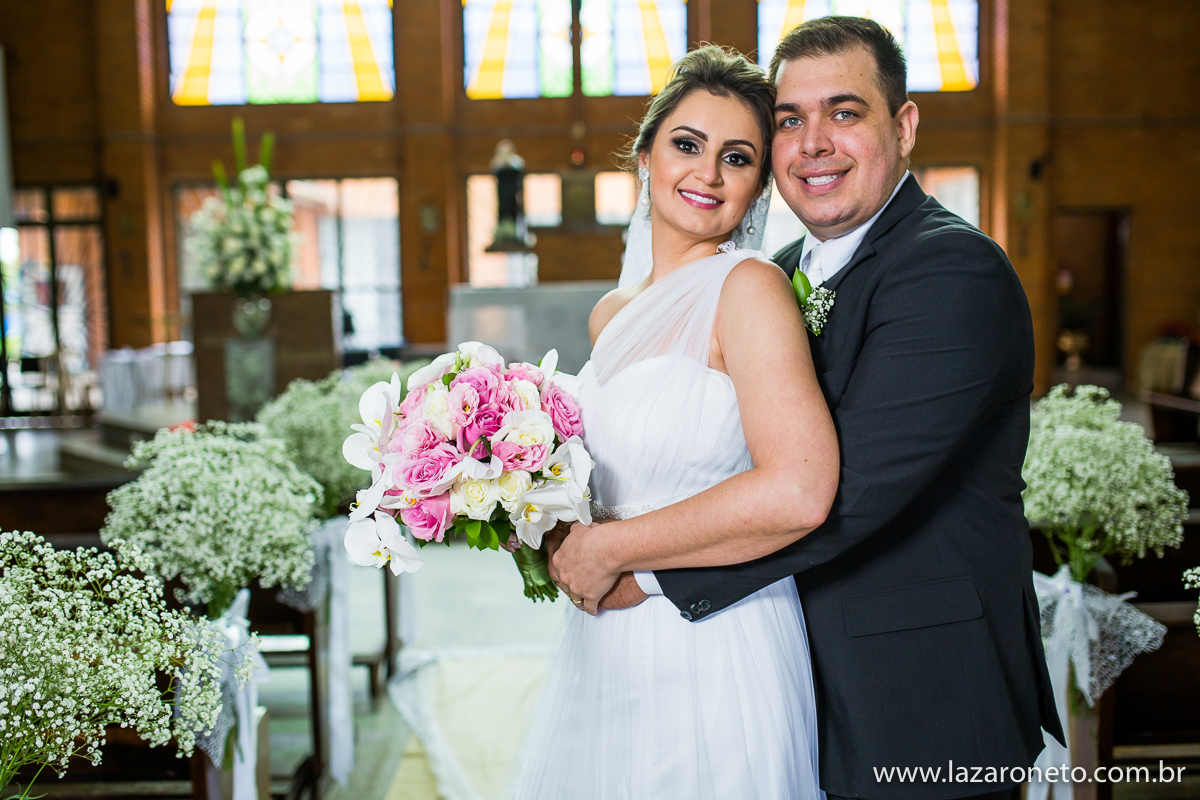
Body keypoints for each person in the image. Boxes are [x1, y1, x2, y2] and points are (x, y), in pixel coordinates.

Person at [553, 17, 1065, 800]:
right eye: (790, 120)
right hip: (784, 672)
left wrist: (635, 569)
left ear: (904, 126)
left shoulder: (952, 270)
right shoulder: (777, 271)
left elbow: (844, 493)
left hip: (918, 696)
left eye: (844, 111)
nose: (813, 143)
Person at [512, 45, 839, 799]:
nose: (708, 174)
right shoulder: (611, 314)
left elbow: (799, 490)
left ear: (758, 186)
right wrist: (530, 517)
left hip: (710, 639)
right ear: (645, 156)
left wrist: (610, 549)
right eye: (688, 145)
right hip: (607, 643)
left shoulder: (749, 289)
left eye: (737, 158)